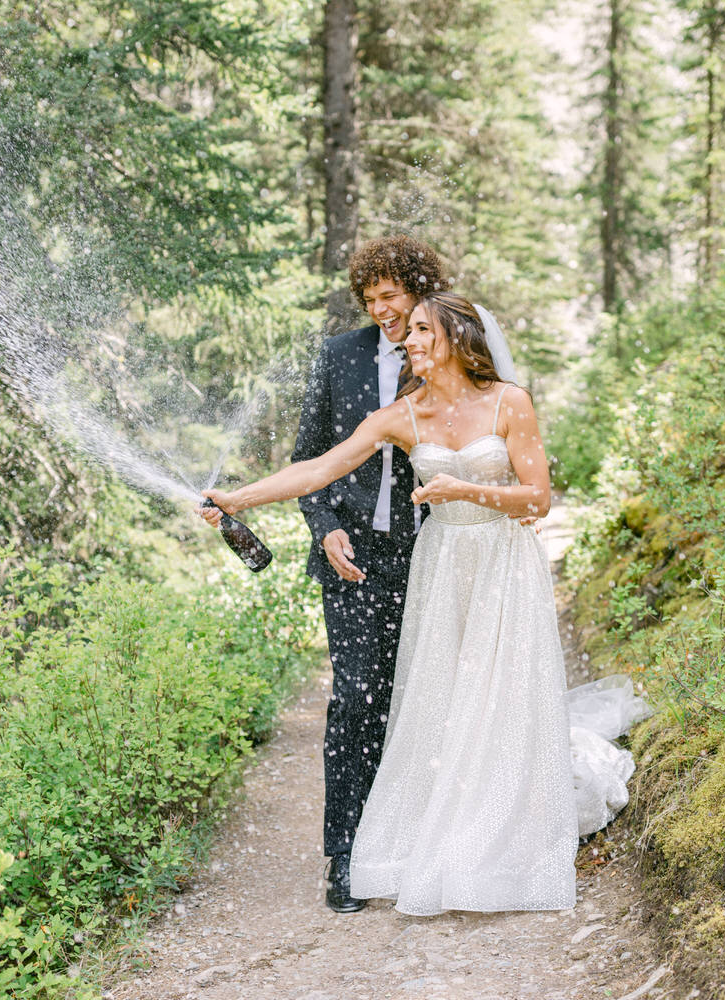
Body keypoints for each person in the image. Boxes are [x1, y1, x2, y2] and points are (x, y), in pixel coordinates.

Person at [202, 291, 579, 915]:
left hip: (502, 565)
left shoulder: (511, 402)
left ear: (457, 337)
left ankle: (502, 832)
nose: (411, 343)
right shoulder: (403, 414)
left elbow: (538, 499)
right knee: (439, 699)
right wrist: (239, 500)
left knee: (500, 694)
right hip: (440, 565)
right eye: (411, 337)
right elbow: (320, 468)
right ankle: (443, 833)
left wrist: (466, 490)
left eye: (424, 332)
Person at [288, 235, 448, 912]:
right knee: (356, 699)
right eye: (371, 298)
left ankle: (420, 845)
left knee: (422, 700)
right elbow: (308, 462)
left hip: (433, 555)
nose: (382, 309)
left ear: (419, 292)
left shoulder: (445, 354)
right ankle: (346, 858)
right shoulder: (337, 358)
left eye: (393, 295)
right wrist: (326, 529)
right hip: (354, 563)